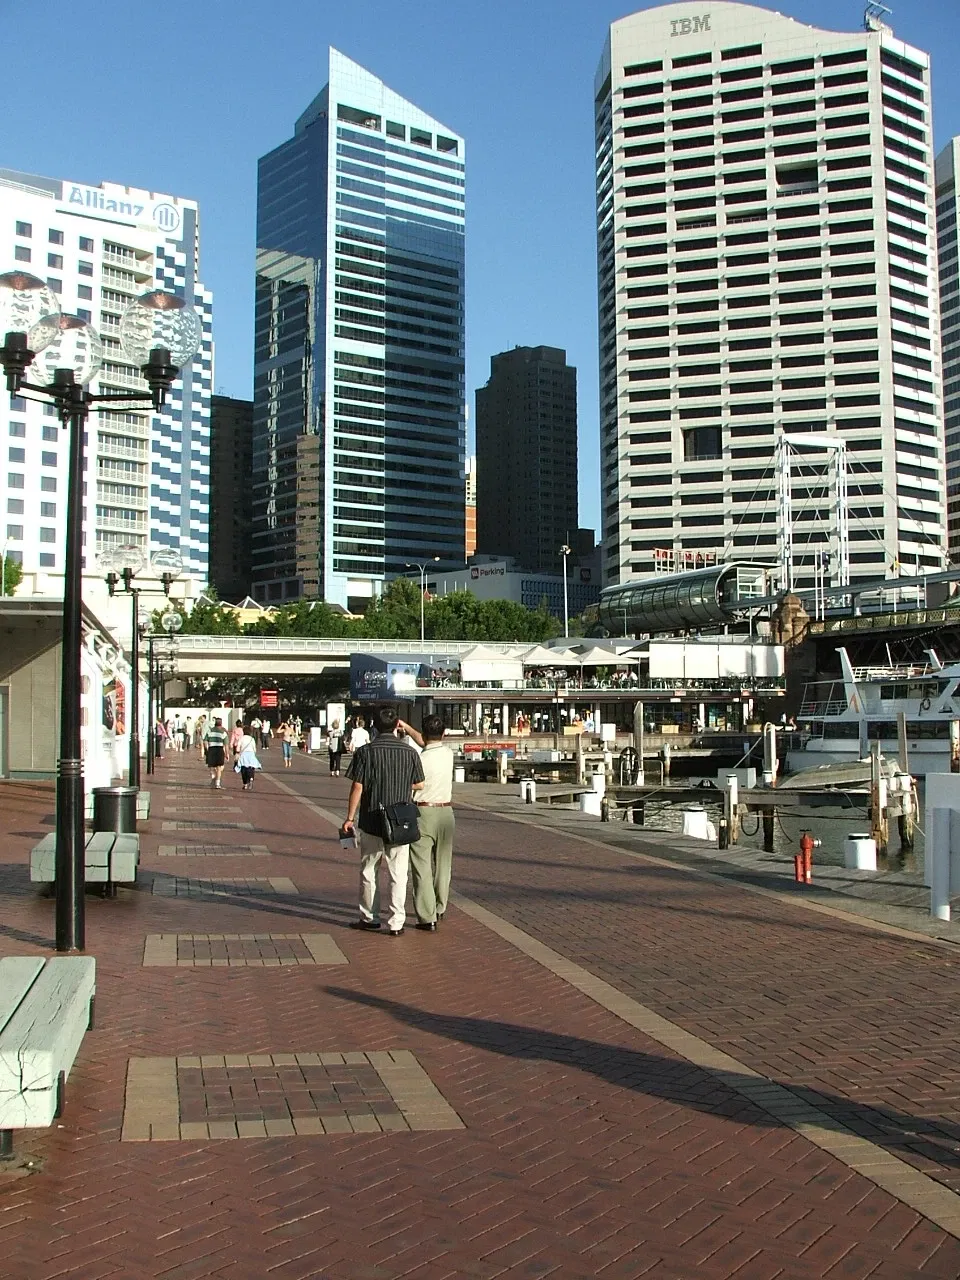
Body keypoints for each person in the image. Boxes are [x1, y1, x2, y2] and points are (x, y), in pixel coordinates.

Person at [342, 706, 424, 937]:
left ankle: (370, 917)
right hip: (401, 820)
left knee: (369, 870)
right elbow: (420, 784)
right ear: (397, 724)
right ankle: (397, 921)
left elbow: (357, 785)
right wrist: (399, 785)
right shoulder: (410, 752)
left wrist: (350, 818)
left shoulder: (365, 752)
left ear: (374, 726)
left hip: (372, 818)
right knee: (399, 873)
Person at [400, 715, 454, 931]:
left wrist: (404, 727)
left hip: (423, 810)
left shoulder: (419, 758)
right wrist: (407, 728)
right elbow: (427, 741)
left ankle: (427, 915)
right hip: (446, 811)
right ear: (443, 734)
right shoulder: (448, 754)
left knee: (421, 865)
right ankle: (440, 907)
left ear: (423, 734)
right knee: (443, 864)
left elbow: (414, 782)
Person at [203, 716, 229, 789]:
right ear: (221, 724)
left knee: (211, 766)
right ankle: (217, 783)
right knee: (219, 767)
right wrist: (227, 754)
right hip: (219, 750)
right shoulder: (223, 732)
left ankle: (213, 777)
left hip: (211, 749)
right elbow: (226, 745)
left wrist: (207, 749)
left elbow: (205, 741)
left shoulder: (210, 731)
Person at [235, 724, 262, 791]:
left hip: (243, 755)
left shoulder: (241, 738)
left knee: (243, 769)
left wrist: (238, 752)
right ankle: (251, 778)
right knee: (251, 767)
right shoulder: (252, 739)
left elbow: (238, 748)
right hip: (251, 754)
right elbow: (254, 748)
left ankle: (245, 784)